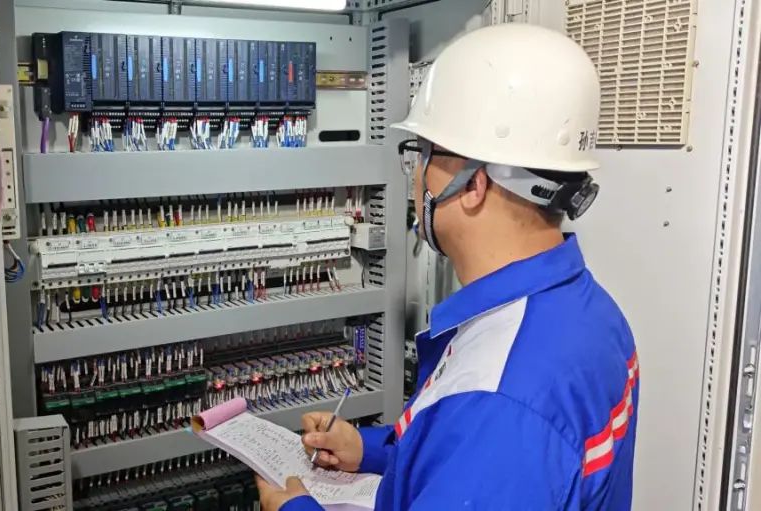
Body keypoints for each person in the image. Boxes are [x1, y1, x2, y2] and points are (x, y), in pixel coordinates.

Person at [255, 23, 638, 510]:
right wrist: (372, 449)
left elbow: (490, 448)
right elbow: (473, 462)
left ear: (473, 184)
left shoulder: (499, 402)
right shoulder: (593, 314)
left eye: (423, 155)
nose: (416, 176)